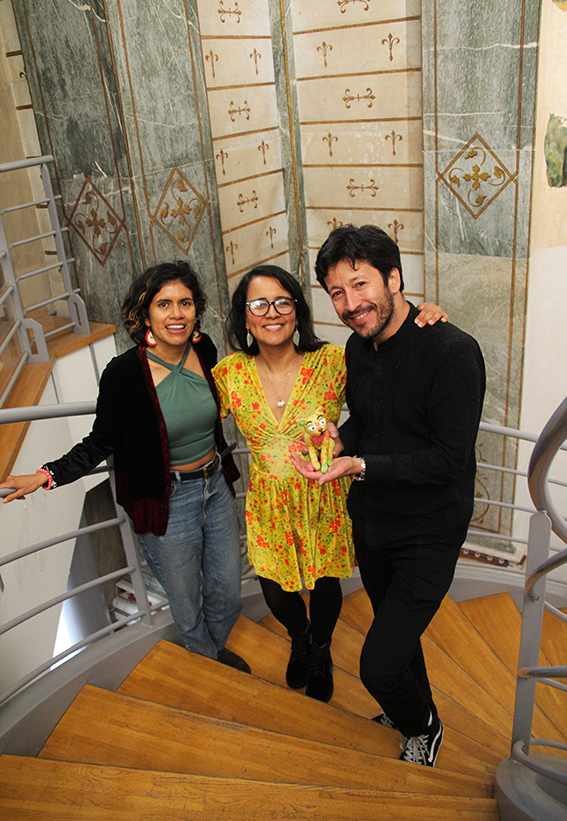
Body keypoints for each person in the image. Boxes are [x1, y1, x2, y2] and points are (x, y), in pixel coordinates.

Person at [294, 224, 485, 766]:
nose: (350, 304)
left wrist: (360, 465)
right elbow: (368, 421)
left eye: (361, 284)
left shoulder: (452, 351)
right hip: (374, 524)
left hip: (429, 533)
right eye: (337, 292)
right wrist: (340, 441)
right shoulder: (357, 347)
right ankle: (412, 710)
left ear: (394, 279)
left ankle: (425, 727)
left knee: (377, 667)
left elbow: (449, 459)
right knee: (397, 643)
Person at [212, 264, 447, 702]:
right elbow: (184, 406)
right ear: (244, 315)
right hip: (269, 503)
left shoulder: (334, 362)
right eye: (259, 304)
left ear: (297, 311)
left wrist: (424, 316)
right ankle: (299, 635)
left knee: (324, 586)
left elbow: (387, 370)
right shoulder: (228, 373)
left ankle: (320, 647)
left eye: (283, 302)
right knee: (276, 593)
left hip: (325, 497)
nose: (272, 312)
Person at [0, 261, 249, 673]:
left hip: (214, 487)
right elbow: (101, 441)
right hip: (166, 500)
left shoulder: (204, 350)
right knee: (185, 600)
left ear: (196, 309)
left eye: (185, 303)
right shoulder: (124, 373)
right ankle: (208, 663)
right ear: (145, 314)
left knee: (228, 592)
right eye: (164, 304)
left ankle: (214, 650)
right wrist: (47, 475)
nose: (176, 314)